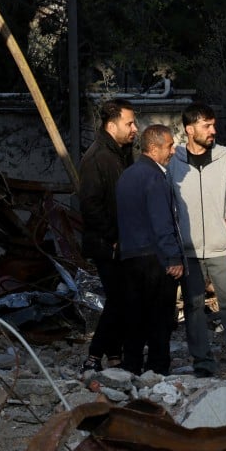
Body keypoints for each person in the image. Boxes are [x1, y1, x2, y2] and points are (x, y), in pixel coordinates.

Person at [167, 103, 226, 378]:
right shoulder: (175, 161)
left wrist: (225, 226)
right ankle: (203, 363)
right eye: (207, 126)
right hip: (189, 249)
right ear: (189, 129)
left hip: (219, 247)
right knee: (194, 307)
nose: (213, 131)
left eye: (213, 125)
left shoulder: (224, 156)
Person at [115, 125, 183, 376]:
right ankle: (157, 367)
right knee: (159, 316)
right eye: (169, 146)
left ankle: (131, 364)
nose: (173, 151)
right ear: (153, 148)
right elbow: (161, 221)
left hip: (130, 256)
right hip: (154, 257)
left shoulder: (127, 176)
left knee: (134, 315)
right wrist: (174, 257)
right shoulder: (155, 177)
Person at [77, 99, 136, 372]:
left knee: (120, 298)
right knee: (119, 298)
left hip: (120, 241)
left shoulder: (120, 153)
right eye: (129, 123)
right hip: (107, 243)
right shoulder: (97, 157)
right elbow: (90, 204)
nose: (135, 128)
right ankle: (94, 355)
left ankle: (114, 354)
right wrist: (113, 236)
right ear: (112, 126)